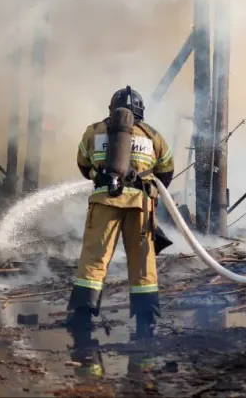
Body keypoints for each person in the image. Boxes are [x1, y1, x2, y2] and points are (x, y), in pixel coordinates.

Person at [66, 86, 175, 347]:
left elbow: (83, 164)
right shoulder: (153, 136)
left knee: (95, 258)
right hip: (140, 205)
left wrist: (101, 176)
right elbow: (167, 171)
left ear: (111, 109)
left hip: (105, 202)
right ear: (140, 111)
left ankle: (83, 316)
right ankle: (145, 319)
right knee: (142, 261)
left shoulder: (93, 131)